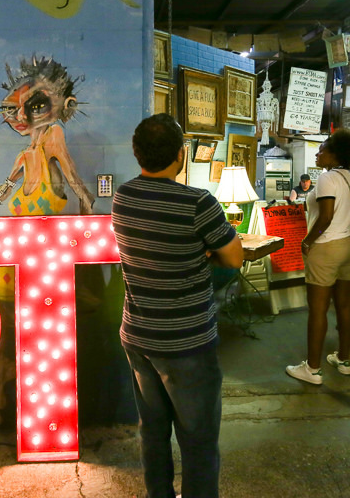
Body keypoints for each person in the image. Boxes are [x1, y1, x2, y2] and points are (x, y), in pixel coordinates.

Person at [111, 113, 243, 498]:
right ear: (180, 155)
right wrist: (204, 252)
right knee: (198, 438)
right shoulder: (198, 203)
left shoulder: (123, 197)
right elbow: (233, 257)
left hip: (138, 336)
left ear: (137, 155)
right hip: (186, 341)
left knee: (153, 431)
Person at [285, 130, 350, 385]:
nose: (318, 153)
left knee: (317, 308)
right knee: (344, 304)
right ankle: (343, 359)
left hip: (328, 246)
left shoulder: (328, 178)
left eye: (322, 149)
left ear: (335, 154)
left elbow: (326, 217)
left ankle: (313, 369)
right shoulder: (349, 178)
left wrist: (307, 240)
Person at [0, 56, 95, 216]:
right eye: (11, 109)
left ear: (66, 105)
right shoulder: (23, 157)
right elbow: (7, 187)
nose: (21, 116)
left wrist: (86, 208)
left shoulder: (52, 136)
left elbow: (72, 177)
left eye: (37, 105)